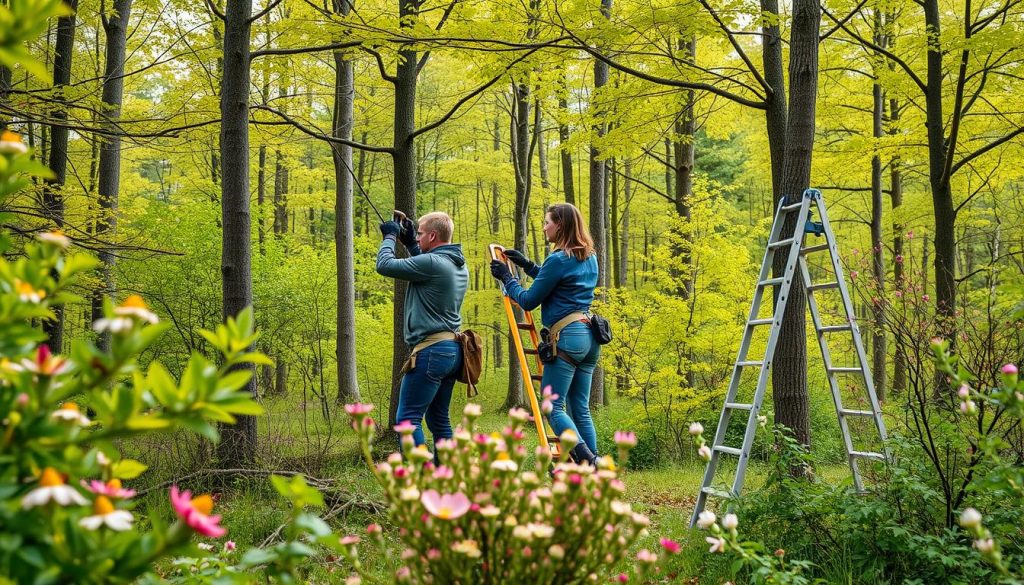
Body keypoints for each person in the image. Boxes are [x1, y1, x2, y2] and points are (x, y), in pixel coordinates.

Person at [489, 203, 601, 466]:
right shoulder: (588, 256)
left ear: (559, 225)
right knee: (580, 410)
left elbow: (528, 300)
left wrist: (507, 279)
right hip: (589, 337)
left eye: (547, 222)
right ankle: (595, 468)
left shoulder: (558, 258)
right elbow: (556, 283)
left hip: (567, 338)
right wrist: (527, 266)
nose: (544, 227)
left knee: (553, 407)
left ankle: (586, 459)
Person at [377, 210, 468, 454]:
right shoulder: (455, 263)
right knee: (439, 420)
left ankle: (422, 480)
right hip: (451, 351)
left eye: (419, 234)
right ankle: (445, 479)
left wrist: (389, 236)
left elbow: (384, 265)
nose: (416, 238)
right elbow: (425, 269)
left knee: (407, 420)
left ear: (433, 235)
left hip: (431, 351)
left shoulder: (433, 263)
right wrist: (408, 243)